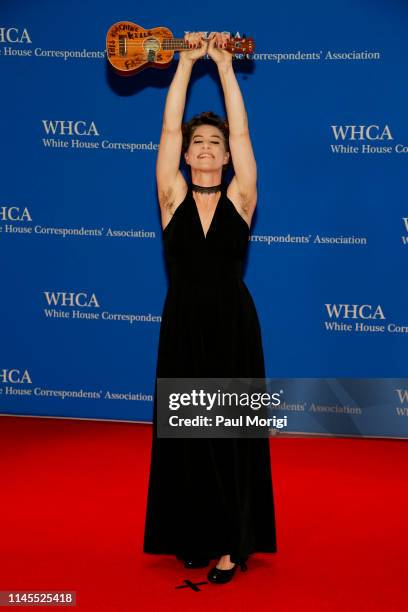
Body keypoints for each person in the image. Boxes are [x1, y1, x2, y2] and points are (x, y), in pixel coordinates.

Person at [143, 31, 277, 585]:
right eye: (196, 142)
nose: (203, 148)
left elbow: (241, 129)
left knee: (228, 436)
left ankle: (231, 544)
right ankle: (192, 534)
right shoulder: (170, 194)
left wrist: (222, 66)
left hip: (231, 328)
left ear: (225, 158)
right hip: (183, 327)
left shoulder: (241, 199)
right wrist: (184, 64)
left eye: (212, 144)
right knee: (187, 435)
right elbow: (168, 126)